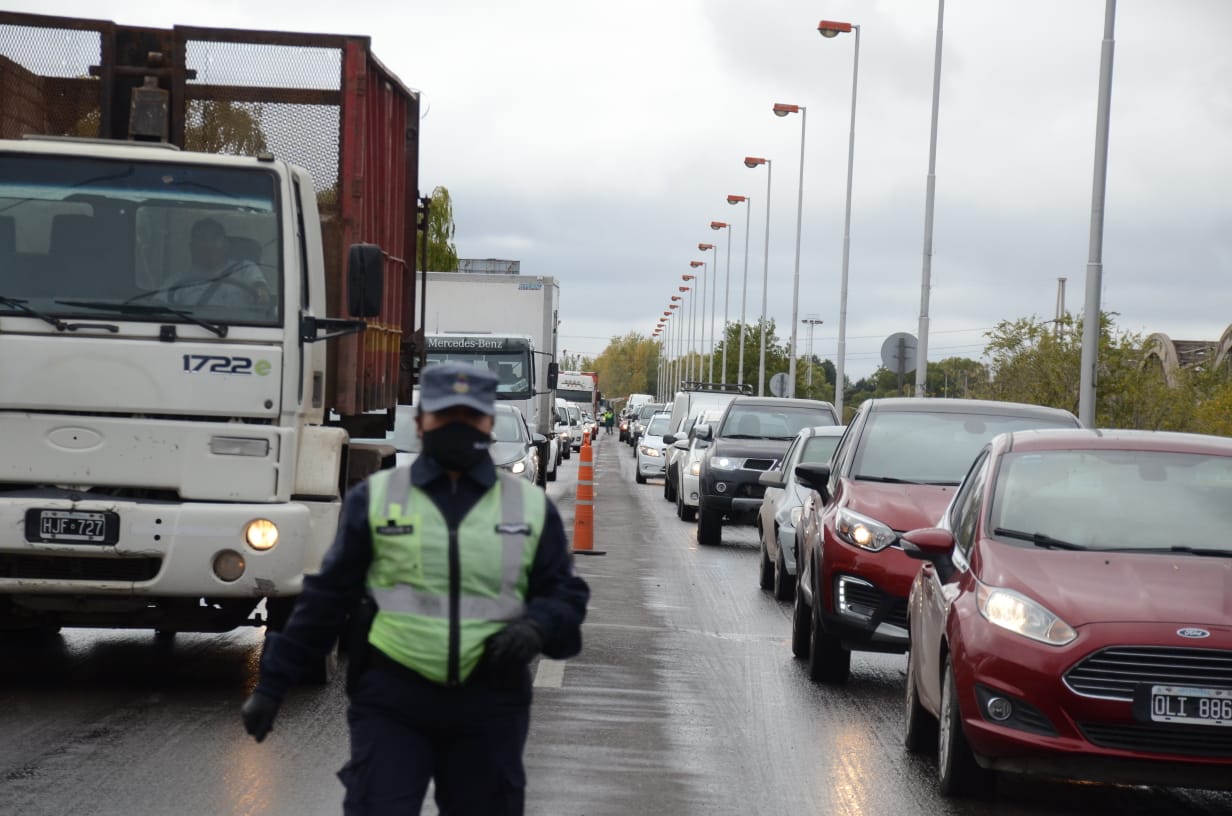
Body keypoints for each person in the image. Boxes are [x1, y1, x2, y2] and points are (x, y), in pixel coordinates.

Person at [241, 361, 590, 815]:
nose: (457, 427)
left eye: (469, 417)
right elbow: (328, 597)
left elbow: (565, 597)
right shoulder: (378, 498)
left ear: (487, 423)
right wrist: (273, 684)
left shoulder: (528, 507)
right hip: (394, 698)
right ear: (423, 421)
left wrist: (537, 628)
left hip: (489, 701)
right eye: (446, 416)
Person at [169, 217, 272, 308]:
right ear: (192, 247)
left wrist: (261, 291)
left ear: (226, 245)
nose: (209, 245)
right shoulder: (178, 280)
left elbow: (260, 288)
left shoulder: (245, 269)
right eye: (202, 239)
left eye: (214, 239)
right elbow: (158, 306)